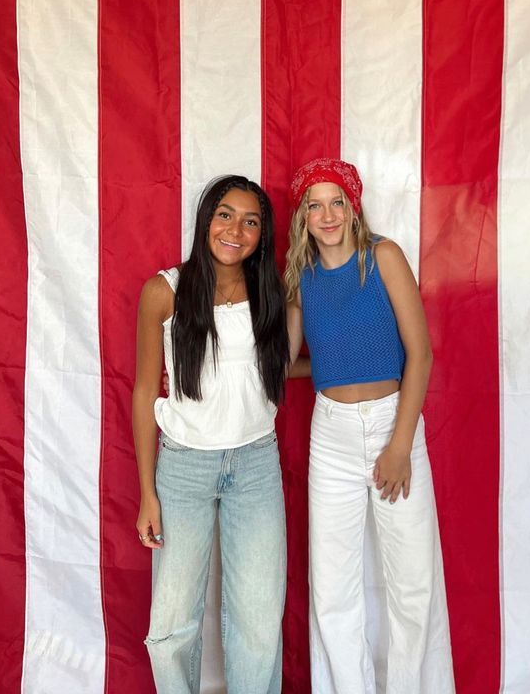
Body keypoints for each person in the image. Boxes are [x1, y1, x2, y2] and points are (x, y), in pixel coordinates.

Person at [285, 158, 455, 694]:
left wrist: (401, 444)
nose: (327, 214)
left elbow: (420, 354)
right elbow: (287, 362)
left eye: (337, 201)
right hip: (330, 435)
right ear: (303, 216)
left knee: (412, 584)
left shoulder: (382, 256)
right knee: (333, 587)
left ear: (354, 205)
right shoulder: (298, 275)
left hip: (392, 423)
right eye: (315, 204)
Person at [132, 174, 289, 694]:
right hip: (183, 468)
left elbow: (274, 368)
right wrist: (147, 493)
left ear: (261, 235)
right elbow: (142, 391)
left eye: (250, 221)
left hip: (255, 464)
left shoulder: (271, 291)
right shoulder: (165, 291)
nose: (235, 229)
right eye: (225, 214)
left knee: (259, 621)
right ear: (206, 220)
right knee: (172, 622)